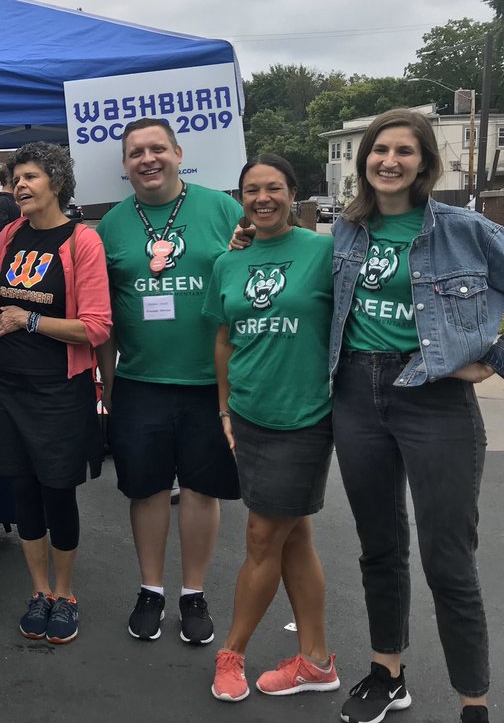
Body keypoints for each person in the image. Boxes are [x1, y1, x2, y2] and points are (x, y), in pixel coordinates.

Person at [329, 109, 496, 723]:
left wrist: (487, 360)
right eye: (379, 150)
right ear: (364, 159)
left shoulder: (462, 228)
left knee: (448, 559)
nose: (389, 161)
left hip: (434, 396)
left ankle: (473, 701)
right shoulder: (346, 230)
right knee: (380, 546)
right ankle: (387, 674)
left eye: (404, 151)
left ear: (425, 161)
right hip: (356, 392)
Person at [96, 117, 242, 646]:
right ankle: (151, 590)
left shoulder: (223, 210)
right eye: (136, 152)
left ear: (179, 154)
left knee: (203, 491)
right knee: (147, 489)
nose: (148, 159)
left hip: (210, 383)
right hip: (139, 380)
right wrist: (108, 385)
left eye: (157, 148)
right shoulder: (111, 225)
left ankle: (194, 594)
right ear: (125, 164)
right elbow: (103, 317)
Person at [201, 155, 339, 703]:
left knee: (262, 537)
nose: (262, 198)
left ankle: (231, 651)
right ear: (240, 198)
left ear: (293, 193)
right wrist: (224, 408)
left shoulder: (324, 253)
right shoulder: (228, 262)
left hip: (303, 416)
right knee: (293, 534)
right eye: (251, 189)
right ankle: (316, 660)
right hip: (248, 415)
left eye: (273, 188)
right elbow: (223, 339)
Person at [0, 142, 111, 644]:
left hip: (58, 390)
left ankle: (65, 593)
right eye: (16, 178)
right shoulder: (10, 234)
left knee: (57, 490)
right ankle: (38, 590)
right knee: (21, 489)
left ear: (57, 182)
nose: (21, 185)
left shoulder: (83, 241)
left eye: (31, 176)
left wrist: (29, 320)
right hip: (7, 386)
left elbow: (96, 327)